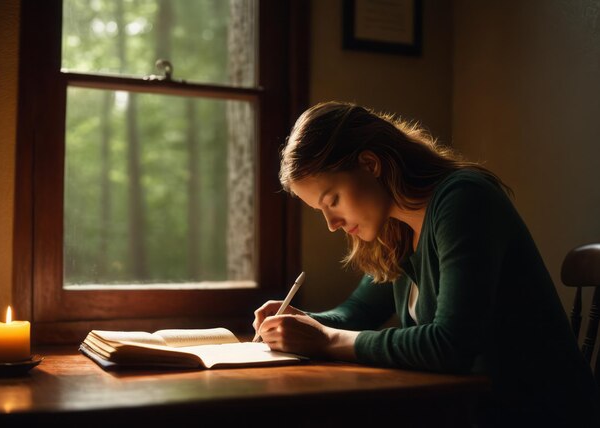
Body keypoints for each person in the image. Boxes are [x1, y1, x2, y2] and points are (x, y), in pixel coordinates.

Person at [252, 101, 600, 426]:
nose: (332, 223)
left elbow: (451, 345)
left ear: (370, 164)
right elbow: (357, 312)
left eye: (333, 201)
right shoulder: (395, 230)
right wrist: (299, 323)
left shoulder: (463, 199)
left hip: (539, 414)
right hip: (466, 409)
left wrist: (326, 340)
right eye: (321, 211)